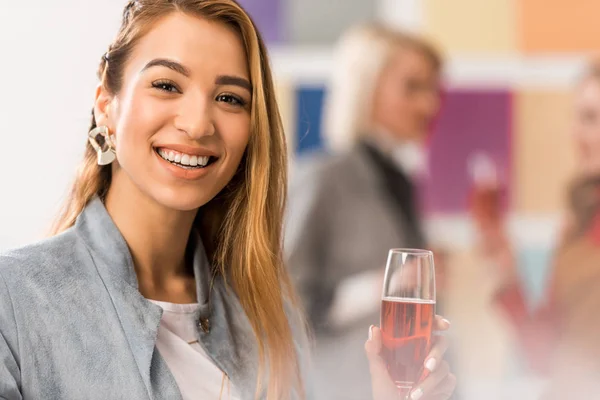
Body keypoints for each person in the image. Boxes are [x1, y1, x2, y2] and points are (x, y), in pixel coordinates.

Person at [0, 1, 455, 399]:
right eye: (166, 85)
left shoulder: (269, 318)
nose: (198, 124)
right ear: (106, 104)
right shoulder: (14, 303)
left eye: (229, 98)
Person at [285, 23, 453, 400]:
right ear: (367, 87)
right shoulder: (323, 179)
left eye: (433, 89)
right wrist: (383, 286)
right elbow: (283, 306)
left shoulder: (403, 182)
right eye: (413, 87)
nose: (431, 105)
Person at [471, 60, 600, 399]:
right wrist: (506, 274)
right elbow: (545, 355)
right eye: (578, 117)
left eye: (591, 118)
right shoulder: (575, 226)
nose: (576, 133)